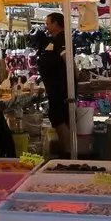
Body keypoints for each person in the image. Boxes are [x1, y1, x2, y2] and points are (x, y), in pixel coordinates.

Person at [37, 12, 73, 156]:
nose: (46, 26)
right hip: (55, 87)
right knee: (58, 118)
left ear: (56, 24)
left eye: (48, 23)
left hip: (60, 87)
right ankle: (65, 150)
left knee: (60, 118)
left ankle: (68, 152)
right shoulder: (55, 39)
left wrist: (76, 76)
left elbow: (67, 60)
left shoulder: (61, 39)